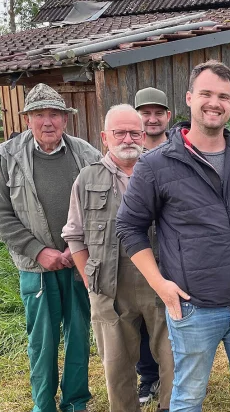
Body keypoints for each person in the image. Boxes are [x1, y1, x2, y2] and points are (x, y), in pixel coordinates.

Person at [116, 60, 230, 412]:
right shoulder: (157, 164)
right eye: (206, 93)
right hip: (193, 307)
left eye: (223, 96)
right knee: (189, 398)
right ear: (190, 98)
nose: (215, 102)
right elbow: (129, 227)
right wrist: (161, 285)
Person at [0, 83, 101, 412]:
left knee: (80, 336)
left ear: (66, 120)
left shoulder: (86, 154)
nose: (47, 122)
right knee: (43, 341)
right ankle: (44, 405)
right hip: (36, 268)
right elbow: (1, 216)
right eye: (39, 115)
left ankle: (76, 401)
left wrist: (77, 249)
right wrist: (40, 251)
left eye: (54, 114)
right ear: (28, 120)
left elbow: (101, 210)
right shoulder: (7, 157)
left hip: (79, 262)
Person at [62, 105, 173, 412]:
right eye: (119, 133)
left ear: (144, 135)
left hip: (161, 279)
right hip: (109, 286)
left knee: (172, 357)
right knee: (117, 365)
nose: (128, 139)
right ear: (104, 137)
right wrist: (89, 281)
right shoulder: (86, 179)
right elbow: (74, 236)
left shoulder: (161, 172)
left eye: (134, 132)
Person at [133, 86, 172, 405]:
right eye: (145, 113)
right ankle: (147, 377)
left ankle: (176, 377)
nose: (152, 119)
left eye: (158, 113)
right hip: (139, 253)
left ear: (168, 117)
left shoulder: (181, 151)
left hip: (173, 253)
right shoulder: (126, 154)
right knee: (143, 322)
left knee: (173, 319)